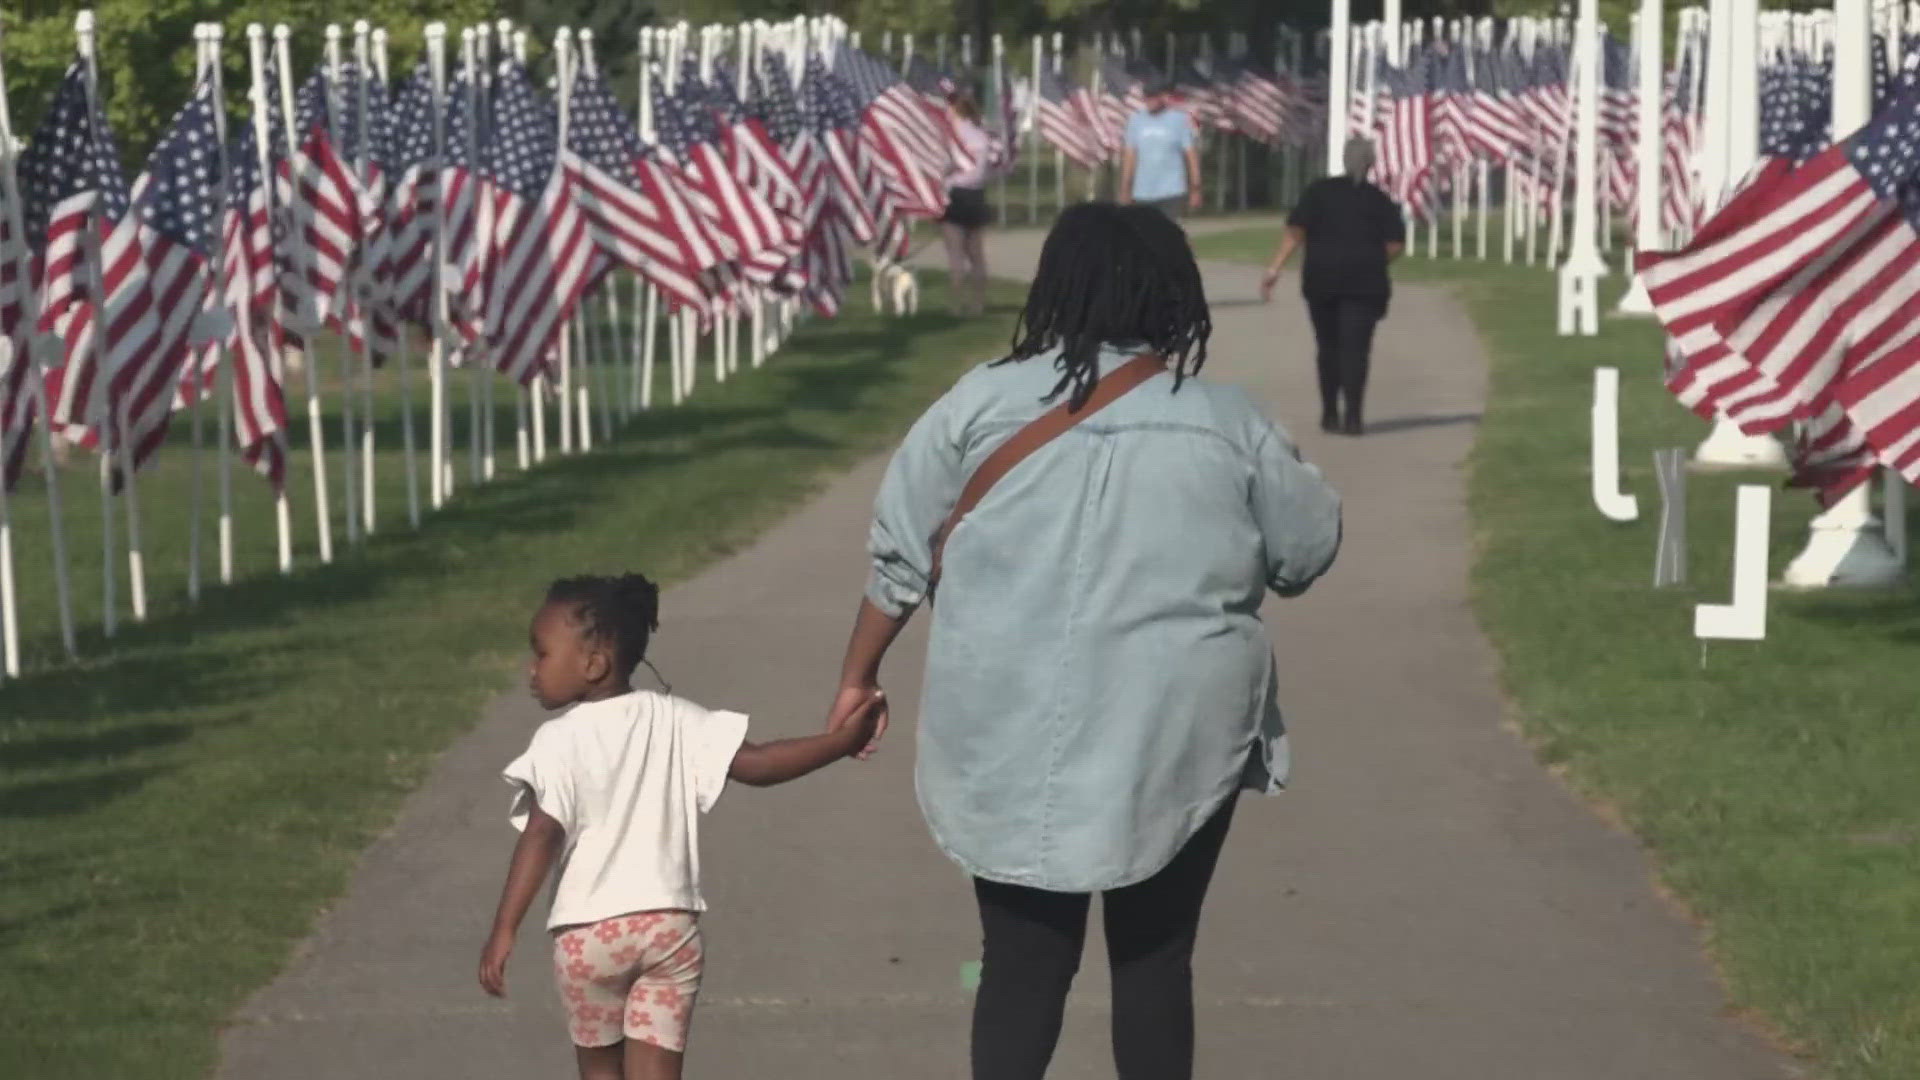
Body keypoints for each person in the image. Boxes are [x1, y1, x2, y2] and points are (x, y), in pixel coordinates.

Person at [823, 203, 1342, 1080]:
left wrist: (857, 677)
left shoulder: (977, 401)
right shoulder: (1226, 419)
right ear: (1172, 295)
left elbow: (897, 561)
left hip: (1007, 727)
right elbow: (1304, 552)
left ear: (1054, 287)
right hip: (1177, 730)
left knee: (1022, 959)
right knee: (1153, 958)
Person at [479, 573, 883, 1080]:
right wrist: (841, 743)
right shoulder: (676, 718)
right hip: (669, 929)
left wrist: (504, 928)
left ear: (594, 663)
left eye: (540, 654)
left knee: (601, 1070)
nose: (532, 670)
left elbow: (541, 834)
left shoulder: (557, 740)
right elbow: (758, 765)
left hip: (590, 937)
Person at [1259, 137, 1405, 436]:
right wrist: (1374, 262)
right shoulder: (1380, 199)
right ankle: (1353, 416)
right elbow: (1395, 243)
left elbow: (1296, 232)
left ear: (1343, 159)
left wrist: (1274, 268)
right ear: (1371, 163)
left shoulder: (1318, 192)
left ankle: (1329, 412)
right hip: (1366, 283)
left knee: (1328, 347)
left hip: (1322, 279)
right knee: (1357, 349)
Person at [938, 92, 993, 316]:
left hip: (956, 194)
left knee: (955, 254)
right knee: (976, 254)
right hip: (977, 195)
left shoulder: (952, 135)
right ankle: (978, 304)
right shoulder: (981, 134)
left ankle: (956, 304)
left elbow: (946, 165)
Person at [1118, 79, 1202, 219]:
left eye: (1152, 96)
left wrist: (1195, 188)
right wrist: (1125, 188)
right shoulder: (1136, 121)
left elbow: (1191, 156)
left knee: (1167, 235)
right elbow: (1130, 156)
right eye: (1146, 96)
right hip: (1142, 192)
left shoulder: (1180, 120)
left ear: (1163, 97)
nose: (1149, 100)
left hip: (1171, 190)